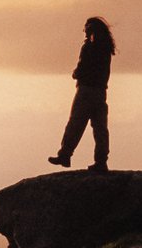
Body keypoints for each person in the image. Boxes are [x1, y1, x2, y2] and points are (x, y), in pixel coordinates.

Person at [49, 15, 115, 170]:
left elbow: (82, 68)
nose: (84, 30)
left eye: (86, 27)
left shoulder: (89, 47)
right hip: (100, 91)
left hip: (86, 91)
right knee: (100, 128)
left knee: (75, 124)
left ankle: (65, 155)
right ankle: (101, 161)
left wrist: (76, 73)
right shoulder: (106, 48)